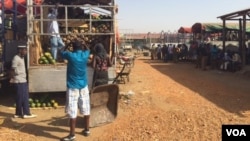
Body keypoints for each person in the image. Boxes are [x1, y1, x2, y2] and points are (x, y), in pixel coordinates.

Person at [60, 40, 91, 141]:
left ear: (72, 47)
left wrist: (67, 45)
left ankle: (72, 135)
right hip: (84, 86)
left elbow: (61, 52)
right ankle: (87, 130)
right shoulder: (85, 55)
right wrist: (83, 44)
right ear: (81, 47)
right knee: (86, 108)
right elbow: (88, 49)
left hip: (73, 86)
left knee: (73, 111)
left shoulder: (70, 55)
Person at [9, 44, 37, 119]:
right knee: (23, 98)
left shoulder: (21, 58)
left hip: (22, 80)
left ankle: (18, 113)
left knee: (20, 97)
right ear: (20, 50)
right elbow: (12, 69)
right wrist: (12, 79)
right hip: (19, 81)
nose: (26, 51)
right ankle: (26, 113)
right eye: (24, 50)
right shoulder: (16, 58)